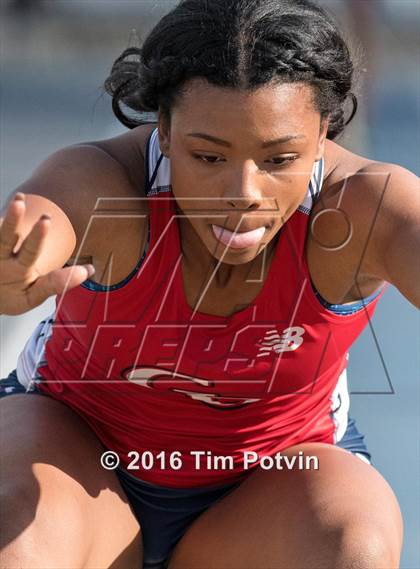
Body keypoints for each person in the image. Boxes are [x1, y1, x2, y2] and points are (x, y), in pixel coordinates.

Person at [0, 0, 418, 567]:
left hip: (269, 487)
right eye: (208, 155)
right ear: (164, 130)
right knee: (15, 533)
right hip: (79, 457)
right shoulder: (105, 186)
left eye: (279, 158)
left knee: (355, 544)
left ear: (323, 132)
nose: (242, 190)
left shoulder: (368, 209)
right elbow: (48, 221)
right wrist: (16, 271)